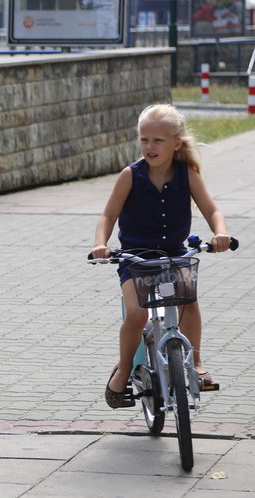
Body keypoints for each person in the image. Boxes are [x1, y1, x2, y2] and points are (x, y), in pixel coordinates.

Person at [90, 104, 231, 409]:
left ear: (176, 144)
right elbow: (108, 215)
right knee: (137, 312)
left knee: (189, 304)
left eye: (158, 140)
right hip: (135, 257)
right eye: (144, 140)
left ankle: (196, 363)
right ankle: (124, 368)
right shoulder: (131, 175)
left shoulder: (187, 174)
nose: (149, 147)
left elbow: (212, 209)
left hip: (175, 254)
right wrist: (101, 244)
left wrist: (220, 233)